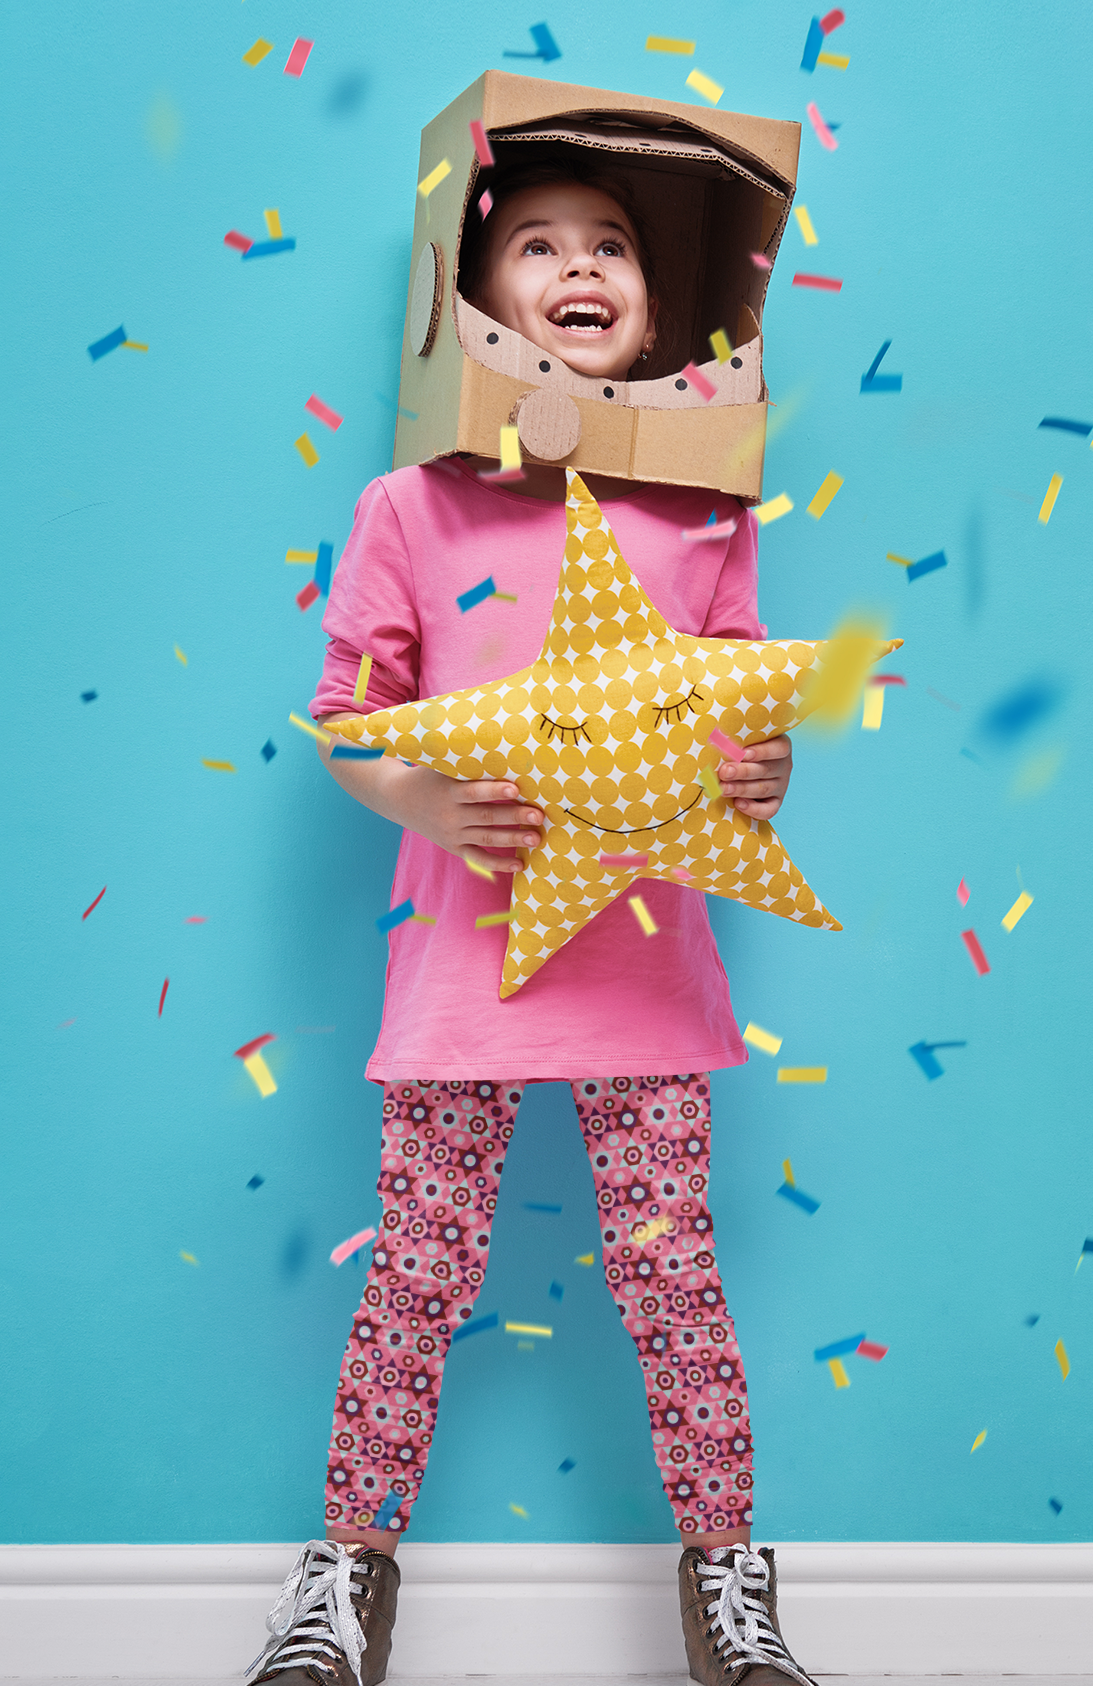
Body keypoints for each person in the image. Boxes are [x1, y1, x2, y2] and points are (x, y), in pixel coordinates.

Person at [242, 156, 817, 1686]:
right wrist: (422, 800)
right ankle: (345, 1586)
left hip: (640, 983)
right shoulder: (406, 505)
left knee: (674, 1285)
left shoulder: (703, 509)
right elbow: (344, 721)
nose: (579, 266)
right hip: (461, 978)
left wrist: (760, 768)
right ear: (474, 301)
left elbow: (743, 707)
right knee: (416, 1277)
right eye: (541, 245)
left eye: (613, 244)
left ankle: (731, 1593)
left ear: (658, 301)